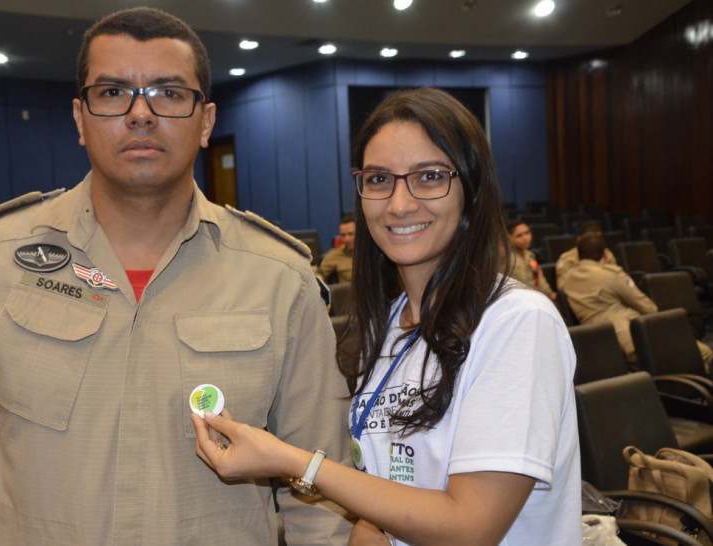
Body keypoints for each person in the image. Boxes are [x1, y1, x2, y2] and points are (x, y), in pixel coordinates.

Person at [0, 7, 351, 544]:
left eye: (169, 93)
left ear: (207, 121)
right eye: (112, 92)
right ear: (80, 118)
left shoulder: (280, 278)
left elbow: (320, 495)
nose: (141, 114)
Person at [192, 88, 581, 544]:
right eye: (379, 180)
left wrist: (293, 462)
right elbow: (396, 494)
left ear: (471, 190)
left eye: (430, 176)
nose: (398, 204)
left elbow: (469, 528)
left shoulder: (517, 321)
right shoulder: (392, 324)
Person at [560, 233, 713, 367]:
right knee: (704, 352)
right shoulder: (612, 275)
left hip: (604, 345)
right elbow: (648, 308)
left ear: (578, 255)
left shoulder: (566, 279)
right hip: (635, 337)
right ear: (605, 255)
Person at [506, 218, 556, 300]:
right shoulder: (506, 259)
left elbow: (540, 280)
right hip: (521, 298)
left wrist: (549, 294)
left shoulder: (530, 255)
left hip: (537, 296)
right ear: (509, 238)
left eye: (527, 233)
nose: (525, 238)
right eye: (519, 235)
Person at [319, 213, 356, 283]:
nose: (346, 239)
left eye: (351, 234)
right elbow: (319, 275)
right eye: (343, 235)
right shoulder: (334, 255)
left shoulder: (371, 253)